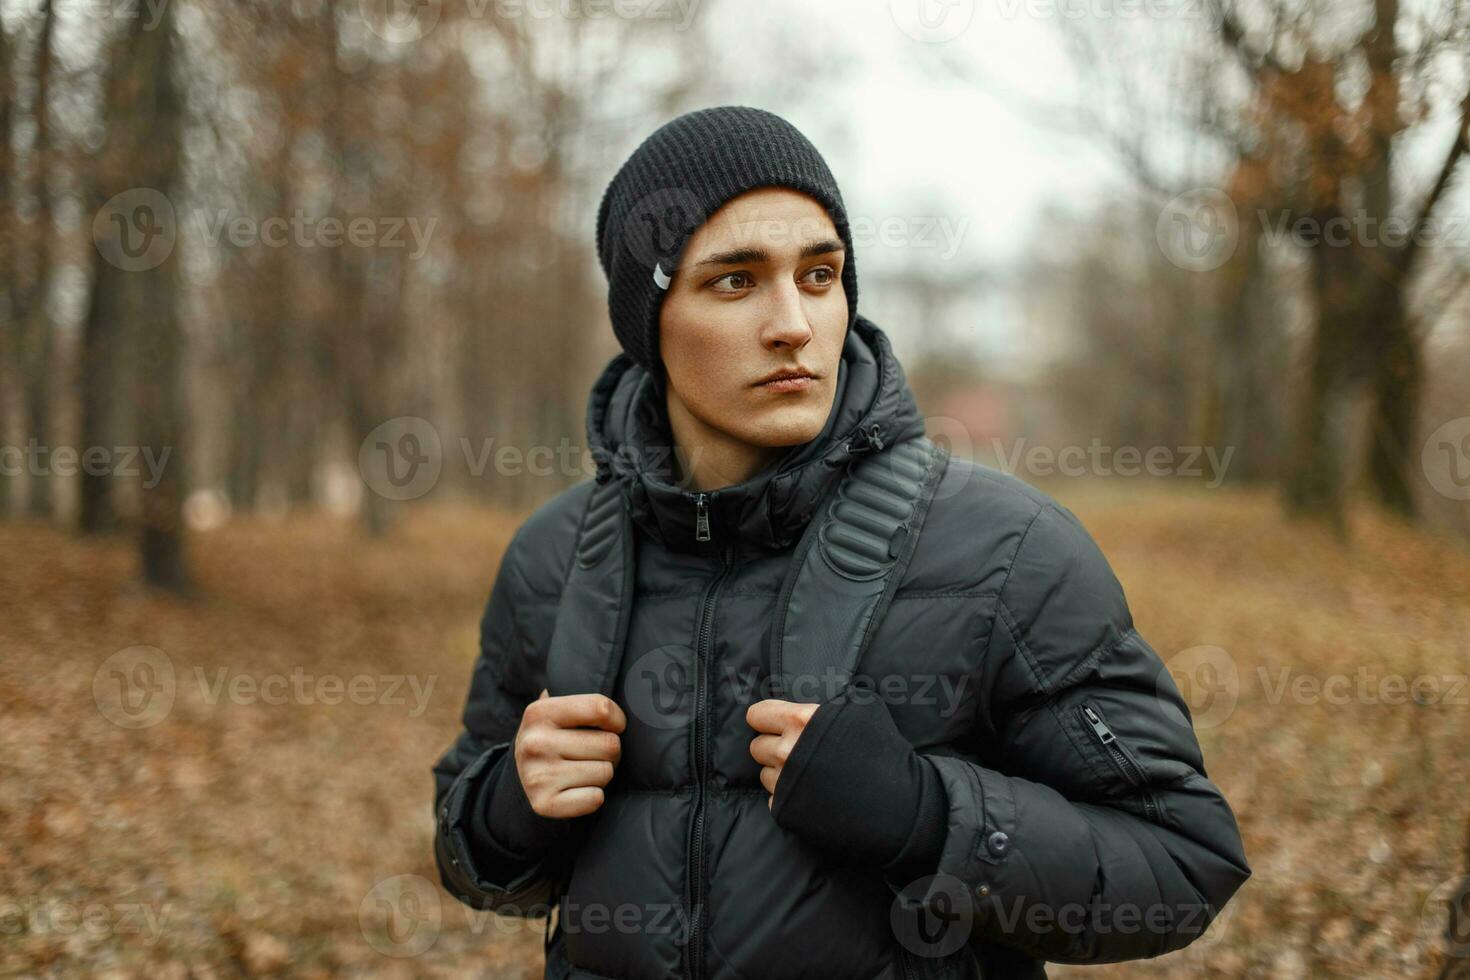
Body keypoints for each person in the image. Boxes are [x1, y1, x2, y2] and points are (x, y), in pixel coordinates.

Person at [432, 105, 1250, 980]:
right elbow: (471, 851)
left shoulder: (1007, 551)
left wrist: (928, 817)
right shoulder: (554, 558)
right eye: (735, 282)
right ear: (648, 322)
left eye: (819, 275)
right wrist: (505, 810)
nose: (794, 323)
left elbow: (1182, 861)